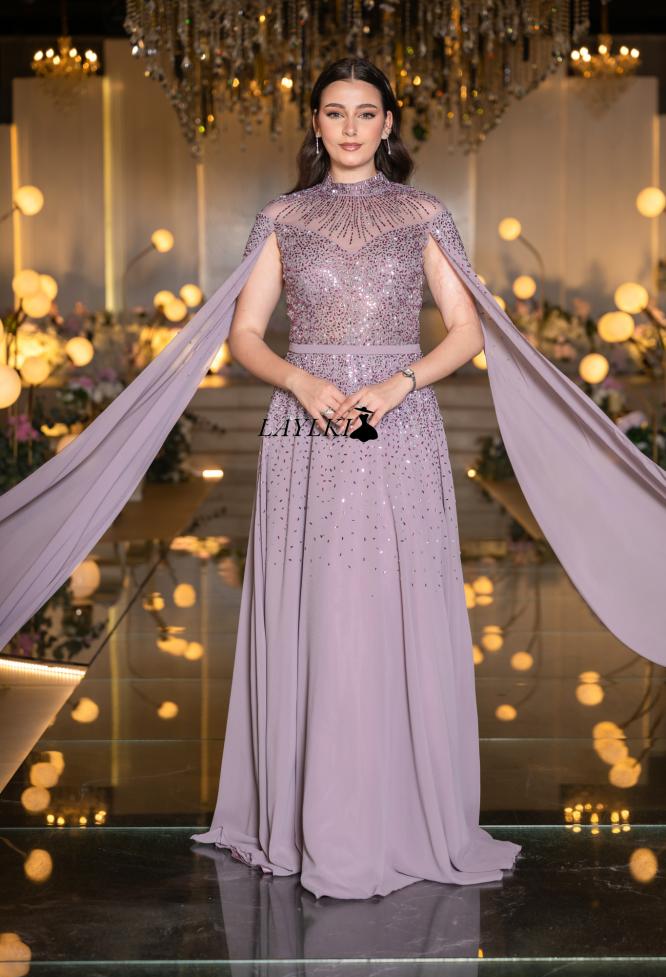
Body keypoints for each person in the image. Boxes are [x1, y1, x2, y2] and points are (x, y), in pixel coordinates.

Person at [0, 56, 663, 899]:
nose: (351, 127)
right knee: (320, 606)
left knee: (392, 602)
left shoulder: (423, 213)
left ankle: (399, 817)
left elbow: (467, 330)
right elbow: (245, 333)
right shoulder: (282, 217)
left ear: (389, 123)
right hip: (306, 430)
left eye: (366, 112)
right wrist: (302, 383)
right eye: (335, 112)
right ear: (314, 123)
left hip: (398, 428)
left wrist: (399, 383)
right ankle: (313, 820)